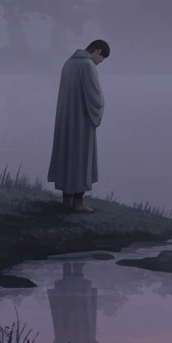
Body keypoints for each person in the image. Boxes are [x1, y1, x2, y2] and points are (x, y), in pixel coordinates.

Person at [48, 39, 109, 213]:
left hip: (65, 120)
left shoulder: (68, 63)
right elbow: (94, 96)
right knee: (81, 158)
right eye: (101, 58)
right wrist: (100, 106)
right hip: (82, 121)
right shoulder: (87, 65)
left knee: (67, 157)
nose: (99, 62)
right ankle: (78, 203)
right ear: (97, 51)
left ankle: (67, 200)